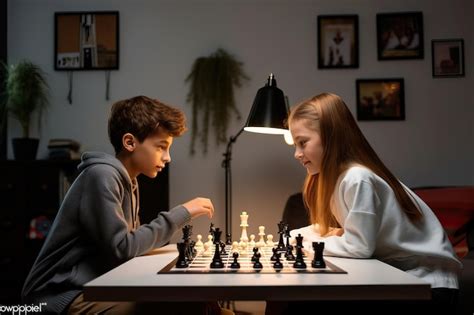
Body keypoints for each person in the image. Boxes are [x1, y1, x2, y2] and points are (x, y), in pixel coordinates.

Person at [22, 96, 220, 314]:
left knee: (205, 304)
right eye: (161, 147)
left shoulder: (129, 181)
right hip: (59, 296)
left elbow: (132, 246)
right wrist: (182, 213)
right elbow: (122, 248)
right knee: (190, 306)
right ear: (129, 142)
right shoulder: (102, 175)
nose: (167, 158)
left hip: (94, 286)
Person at [267, 93, 462, 314]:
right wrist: (306, 235)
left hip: (429, 286)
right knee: (290, 300)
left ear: (331, 136)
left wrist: (303, 242)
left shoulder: (357, 178)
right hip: (404, 279)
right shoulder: (342, 179)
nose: (297, 154)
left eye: (302, 143)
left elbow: (359, 247)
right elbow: (351, 236)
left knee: (295, 304)